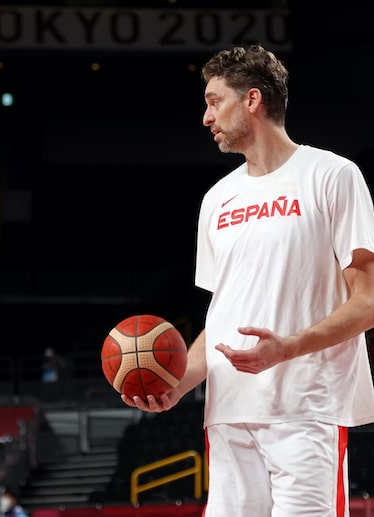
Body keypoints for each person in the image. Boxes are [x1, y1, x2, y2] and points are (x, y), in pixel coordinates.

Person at [122, 44, 374, 516]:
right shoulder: (217, 198)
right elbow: (223, 315)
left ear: (252, 100)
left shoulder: (333, 175)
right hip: (228, 413)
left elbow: (368, 303)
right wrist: (178, 382)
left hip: (305, 409)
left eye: (215, 101)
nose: (206, 117)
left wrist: (287, 348)